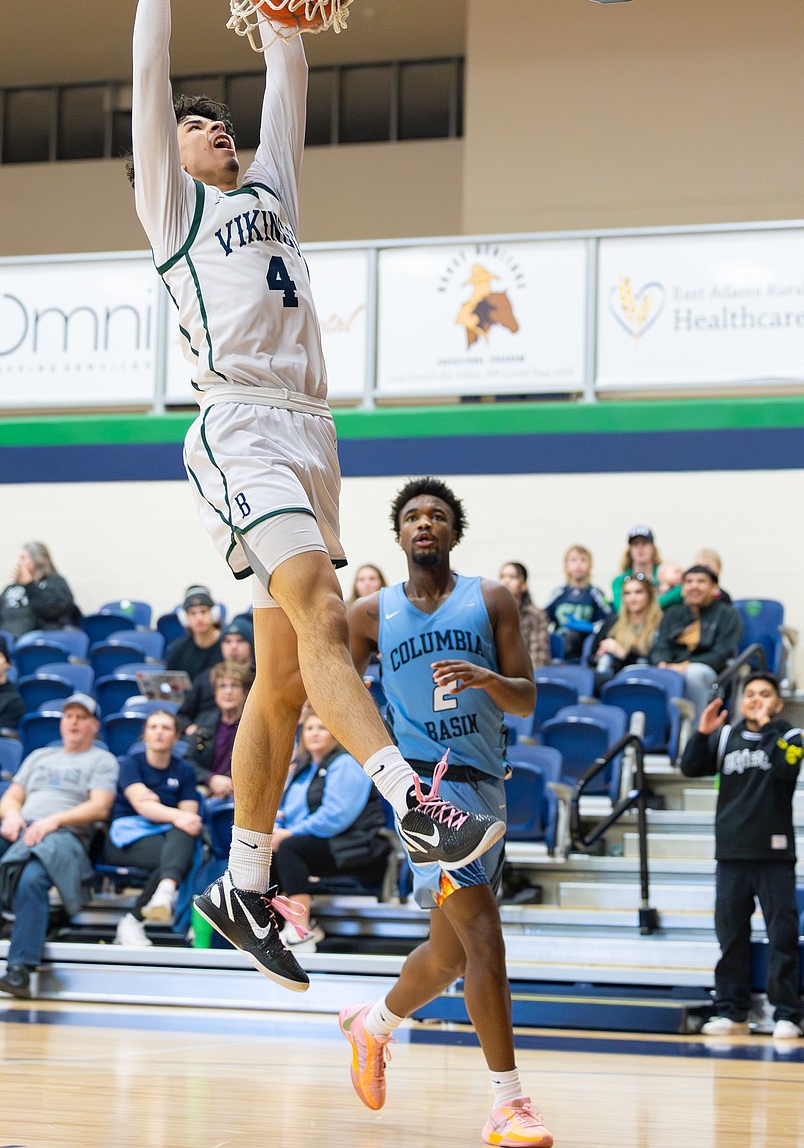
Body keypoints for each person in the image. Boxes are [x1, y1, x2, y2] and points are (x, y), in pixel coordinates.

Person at [129, 0, 501, 988]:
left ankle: (243, 885)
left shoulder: (274, 181)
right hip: (237, 421)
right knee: (323, 612)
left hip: (311, 431)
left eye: (220, 122)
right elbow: (147, 77)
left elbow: (285, 65)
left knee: (285, 679)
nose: (216, 130)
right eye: (200, 126)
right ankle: (412, 805)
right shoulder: (171, 205)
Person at [343, 477, 551, 1148]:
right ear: (399, 534)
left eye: (436, 515)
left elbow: (525, 699)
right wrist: (390, 774)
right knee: (485, 939)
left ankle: (370, 1024)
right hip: (427, 795)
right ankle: (507, 1102)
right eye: (412, 516)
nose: (424, 523)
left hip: (488, 785)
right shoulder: (369, 614)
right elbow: (340, 699)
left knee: (448, 954)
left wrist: (490, 679)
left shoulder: (489, 598)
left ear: (454, 532)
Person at [0, 692, 118, 998]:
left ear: (94, 725)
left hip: (65, 837)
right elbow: (12, 796)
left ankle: (19, 971)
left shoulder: (103, 760)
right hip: (23, 831)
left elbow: (100, 807)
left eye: (81, 717)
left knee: (32, 878)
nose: (73, 722)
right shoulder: (39, 757)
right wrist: (11, 816)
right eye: (69, 716)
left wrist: (53, 821)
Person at [681, 674, 804, 1039]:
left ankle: (786, 1014)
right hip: (731, 853)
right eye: (750, 694)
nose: (756, 700)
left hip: (775, 854)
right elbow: (690, 767)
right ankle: (732, 1012)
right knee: (731, 936)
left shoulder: (788, 735)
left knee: (782, 934)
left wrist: (770, 727)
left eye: (765, 694)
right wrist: (702, 733)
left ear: (778, 702)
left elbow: (787, 769)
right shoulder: (725, 737)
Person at [271, 710, 389, 946]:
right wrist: (277, 829)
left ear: (335, 734)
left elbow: (337, 815)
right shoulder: (303, 769)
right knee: (264, 853)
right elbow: (285, 810)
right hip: (318, 843)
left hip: (353, 844)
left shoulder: (345, 763)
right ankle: (267, 927)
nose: (314, 733)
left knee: (290, 848)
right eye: (309, 728)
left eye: (322, 728)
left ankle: (301, 930)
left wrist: (290, 833)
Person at [105, 708, 202, 949]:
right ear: (145, 735)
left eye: (166, 728)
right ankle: (144, 910)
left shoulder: (185, 770)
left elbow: (188, 817)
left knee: (183, 836)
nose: (159, 732)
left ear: (176, 737)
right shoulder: (130, 764)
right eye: (153, 727)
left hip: (166, 835)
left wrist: (160, 809)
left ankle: (149, 907)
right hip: (126, 836)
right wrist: (173, 814)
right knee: (176, 855)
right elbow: (142, 806)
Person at [651, 562, 743, 719]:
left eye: (701, 581)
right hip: (671, 668)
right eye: (689, 582)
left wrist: (685, 666)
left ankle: (697, 732)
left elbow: (722, 653)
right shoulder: (672, 613)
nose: (694, 586)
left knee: (694, 673)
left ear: (714, 588)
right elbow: (660, 646)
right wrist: (663, 664)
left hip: (711, 672)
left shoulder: (727, 614)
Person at [0, 542, 80, 639]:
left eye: (23, 558)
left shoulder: (55, 581)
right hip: (4, 638)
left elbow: (52, 610)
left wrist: (29, 585)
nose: (19, 563)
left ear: (37, 559)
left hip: (36, 639)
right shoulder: (12, 588)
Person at [177, 617, 255, 731]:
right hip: (204, 738)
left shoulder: (259, 679)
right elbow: (183, 715)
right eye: (228, 641)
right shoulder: (206, 677)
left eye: (240, 641)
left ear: (251, 645)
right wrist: (190, 729)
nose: (233, 646)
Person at [188, 662, 252, 799]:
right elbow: (188, 761)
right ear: (215, 692)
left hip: (242, 792)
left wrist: (228, 783)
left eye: (234, 686)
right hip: (206, 788)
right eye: (222, 686)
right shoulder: (204, 722)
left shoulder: (253, 726)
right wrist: (210, 779)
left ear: (245, 692)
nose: (228, 692)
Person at [591, 574, 663, 687]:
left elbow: (654, 662)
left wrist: (622, 653)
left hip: (647, 679)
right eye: (627, 593)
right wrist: (601, 653)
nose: (632, 598)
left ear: (649, 595)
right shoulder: (613, 622)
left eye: (638, 592)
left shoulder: (661, 623)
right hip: (611, 678)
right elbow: (592, 656)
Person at [544, 545, 610, 661]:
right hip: (561, 645)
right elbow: (542, 618)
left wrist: (592, 627)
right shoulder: (559, 593)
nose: (578, 564)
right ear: (566, 566)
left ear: (590, 566)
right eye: (573, 560)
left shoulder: (595, 593)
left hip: (586, 646)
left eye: (583, 560)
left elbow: (609, 618)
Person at [611, 526, 682, 612]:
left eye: (644, 543)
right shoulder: (620, 581)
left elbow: (682, 590)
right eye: (635, 544)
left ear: (653, 548)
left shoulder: (664, 575)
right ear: (630, 550)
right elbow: (620, 609)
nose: (640, 548)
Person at [499, 562, 551, 671]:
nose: (506, 581)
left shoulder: (536, 615)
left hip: (527, 676)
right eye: (502, 577)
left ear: (524, 585)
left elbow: (539, 657)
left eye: (512, 577)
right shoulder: (493, 614)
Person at [165, 585, 223, 680]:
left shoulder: (227, 647)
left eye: (203, 612)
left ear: (214, 614)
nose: (199, 618)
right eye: (193, 613)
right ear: (185, 618)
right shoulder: (178, 649)